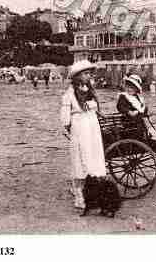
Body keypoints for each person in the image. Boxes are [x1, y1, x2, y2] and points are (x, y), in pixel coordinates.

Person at [60, 60, 107, 210]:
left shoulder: (90, 90)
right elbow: (65, 115)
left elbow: (96, 108)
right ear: (77, 76)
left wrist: (95, 109)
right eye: (85, 74)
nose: (88, 76)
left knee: (93, 155)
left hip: (92, 126)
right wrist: (67, 126)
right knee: (81, 158)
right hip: (79, 127)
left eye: (89, 73)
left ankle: (94, 188)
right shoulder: (69, 94)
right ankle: (79, 193)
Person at [117, 74, 156, 142]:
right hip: (129, 121)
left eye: (132, 88)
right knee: (144, 121)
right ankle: (152, 134)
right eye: (128, 87)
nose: (129, 89)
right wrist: (129, 111)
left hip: (138, 120)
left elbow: (143, 108)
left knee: (147, 120)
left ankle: (153, 134)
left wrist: (145, 110)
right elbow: (120, 106)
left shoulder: (138, 97)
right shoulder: (123, 97)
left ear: (136, 89)